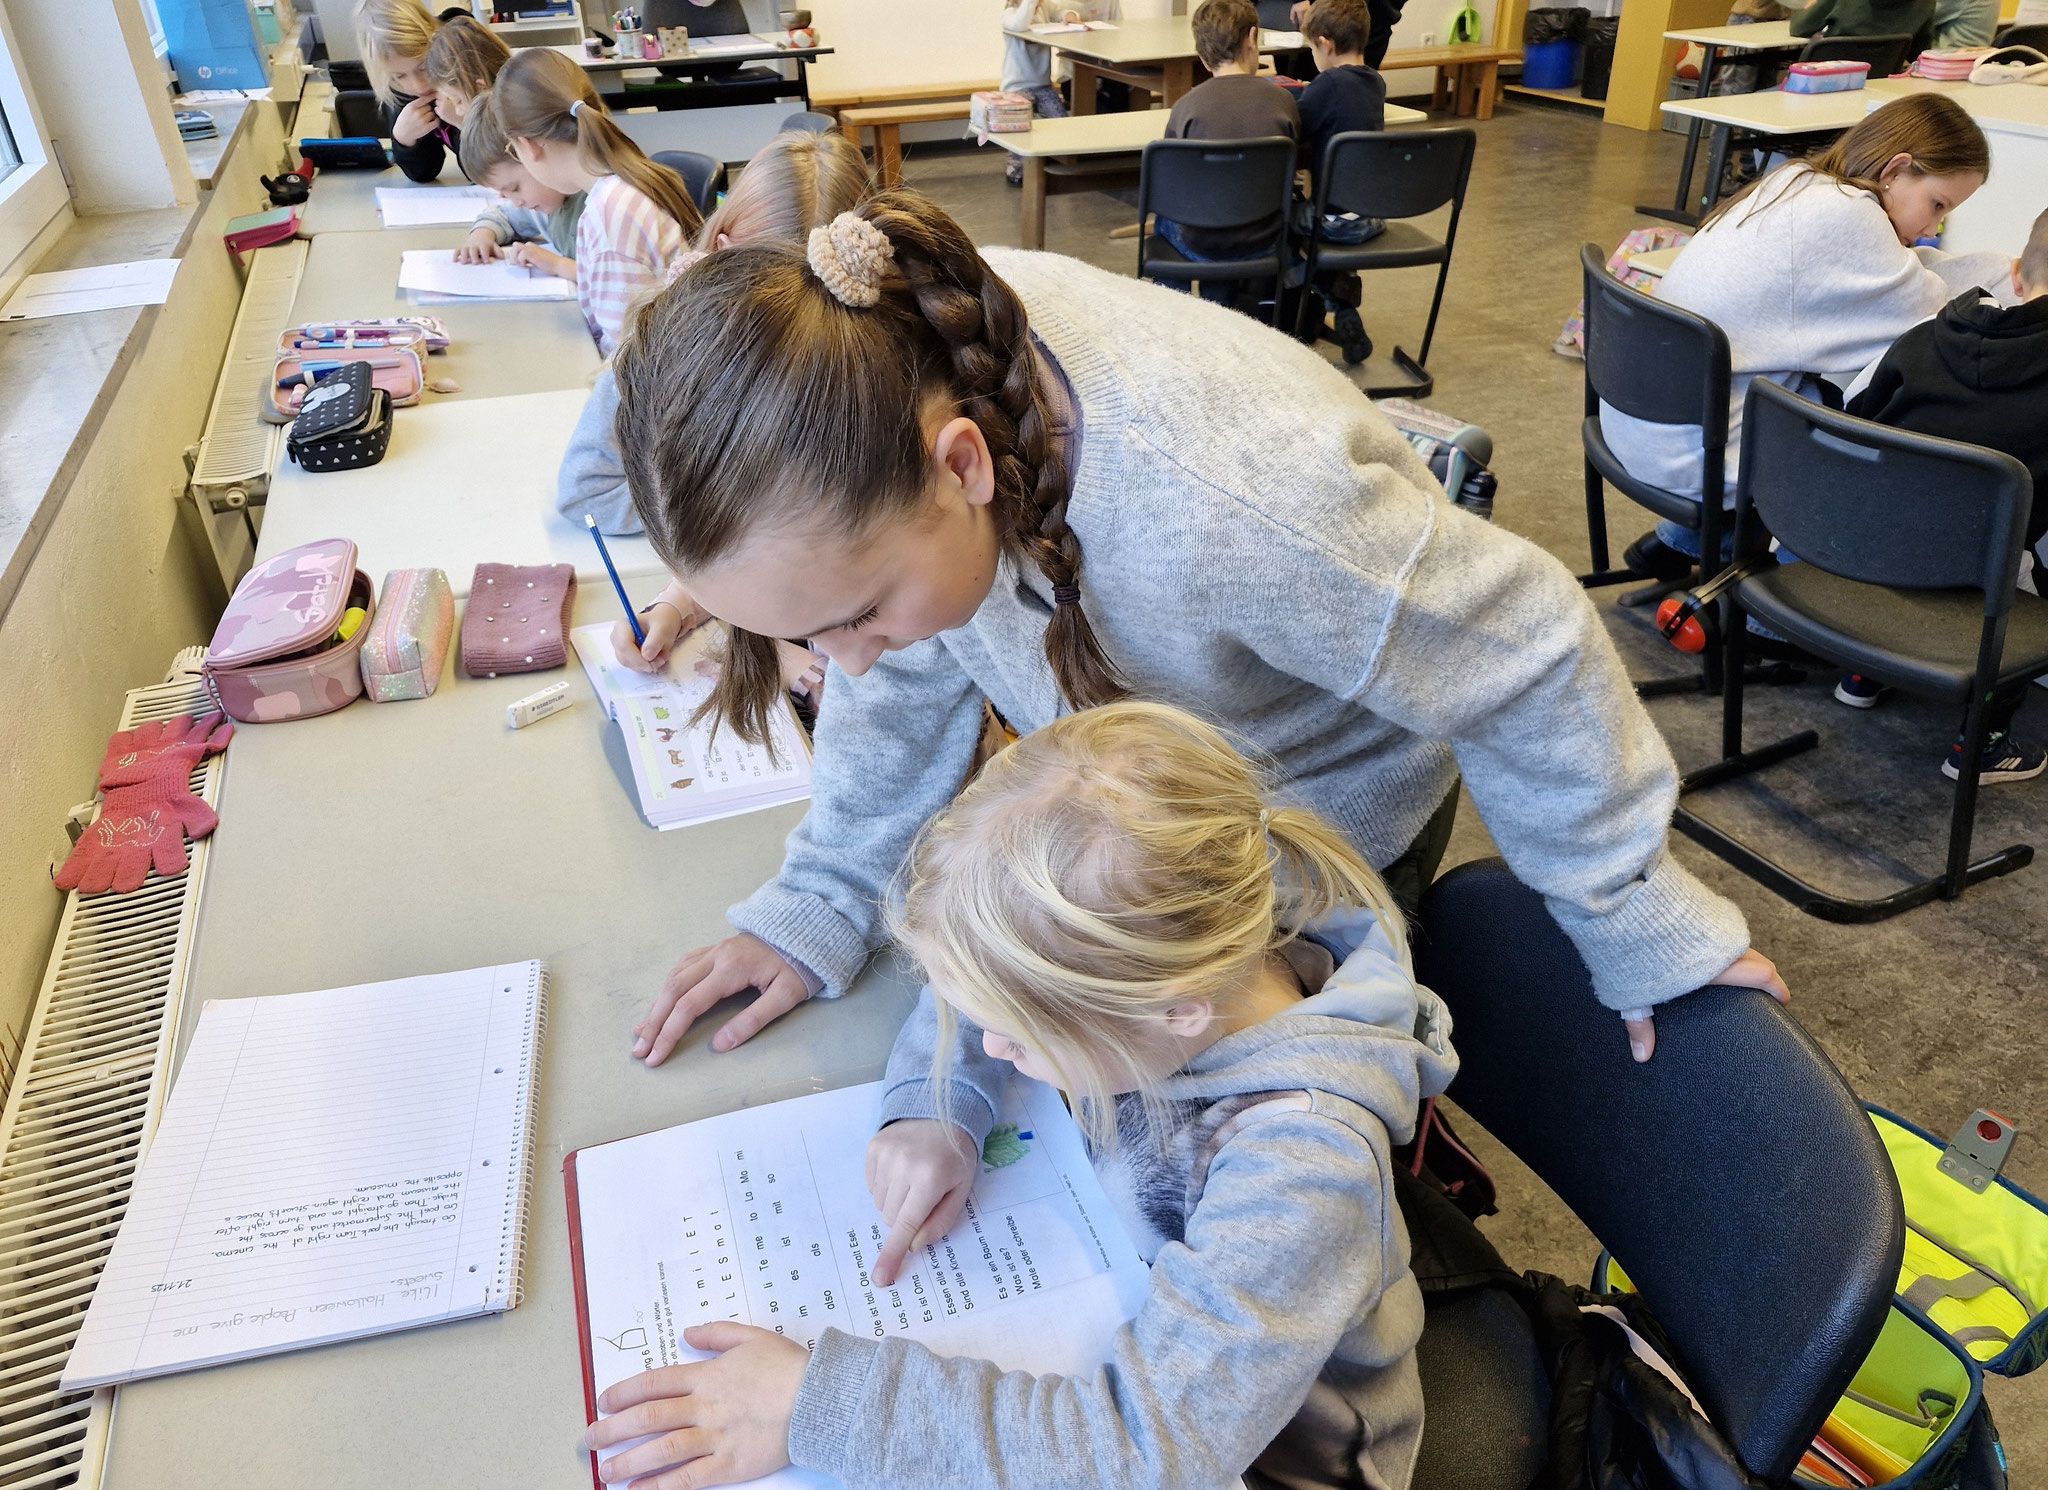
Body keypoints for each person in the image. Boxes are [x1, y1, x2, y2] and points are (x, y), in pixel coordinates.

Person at [606, 188, 1788, 1071]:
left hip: (1311, 810)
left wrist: (1632, 914)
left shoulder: (1232, 503)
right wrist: (820, 897)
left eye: (853, 616)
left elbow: (1523, 649)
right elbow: (902, 666)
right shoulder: (906, 366)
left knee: (1267, 1124)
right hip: (1143, 786)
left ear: (961, 466)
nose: (847, 665)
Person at [584, 701, 1457, 1490]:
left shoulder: (1301, 1173)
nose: (991, 1045)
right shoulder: (1167, 962)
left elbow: (1147, 1452)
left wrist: (817, 1406)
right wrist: (939, 1101)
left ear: (1173, 1010)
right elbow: (995, 981)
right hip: (1132, 1315)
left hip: (1271, 1457)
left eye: (1015, 1038)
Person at [1601, 94, 2010, 571]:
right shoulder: (1849, 218)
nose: (1932, 228)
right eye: (1937, 205)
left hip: (1640, 420)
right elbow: (1935, 318)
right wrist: (2012, 285)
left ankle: (1685, 539)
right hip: (1695, 457)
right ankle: (1787, 595)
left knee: (1820, 398)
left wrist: (1999, 269)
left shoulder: (1796, 180)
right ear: (1897, 169)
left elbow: (1908, 272)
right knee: (1866, 442)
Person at [1836, 208, 2048, 784]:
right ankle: (1982, 743)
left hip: (1858, 557)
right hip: (1977, 575)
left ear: (2017, 275)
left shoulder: (1926, 335)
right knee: (2025, 568)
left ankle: (1866, 670)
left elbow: (1855, 418)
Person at [481, 48, 702, 354]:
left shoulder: (610, 215)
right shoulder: (623, 181)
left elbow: (627, 356)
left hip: (664, 373)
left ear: (528, 146)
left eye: (511, 149)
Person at [1156, 0, 1299, 304]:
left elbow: (1171, 184)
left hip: (1202, 243)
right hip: (1265, 239)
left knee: (1167, 218)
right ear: (1252, 38)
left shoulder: (1186, 107)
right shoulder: (1283, 101)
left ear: (1203, 58)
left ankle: (1171, 310)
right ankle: (1223, 301)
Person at [1295, 0, 1387, 363]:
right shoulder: (1375, 82)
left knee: (1278, 219)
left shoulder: (1328, 83)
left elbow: (1297, 126)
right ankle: (1342, 301)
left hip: (1334, 221)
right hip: (1371, 217)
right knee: (1328, 213)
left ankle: (1324, 295)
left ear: (1326, 44)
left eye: (1312, 49)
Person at [453, 90, 583, 276]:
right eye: (504, 194)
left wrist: (558, 266)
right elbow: (504, 214)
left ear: (534, 150)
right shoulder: (546, 204)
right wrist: (481, 235)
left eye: (514, 188)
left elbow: (615, 278)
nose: (516, 202)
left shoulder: (600, 205)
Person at [354, 0, 461, 184]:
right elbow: (424, 174)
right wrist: (405, 140)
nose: (418, 85)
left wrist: (465, 123)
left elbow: (491, 171)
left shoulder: (466, 63)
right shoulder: (400, 92)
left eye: (423, 67)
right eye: (400, 76)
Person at [997, 0, 1070, 186]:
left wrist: (1070, 16)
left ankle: (1050, 160)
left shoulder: (1045, 8)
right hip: (1016, 86)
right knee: (1021, 124)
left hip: (1042, 85)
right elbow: (1019, 24)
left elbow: (1060, 12)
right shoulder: (1010, 14)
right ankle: (1016, 167)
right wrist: (1030, 4)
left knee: (1060, 120)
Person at [421, 12, 508, 134]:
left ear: (481, 88)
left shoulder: (510, 130)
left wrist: (462, 124)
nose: (458, 111)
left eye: (459, 101)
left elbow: (485, 145)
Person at [1790, 0, 1938, 55]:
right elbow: (1919, 53)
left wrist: (1812, 5)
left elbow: (1799, 28)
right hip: (1883, 88)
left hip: (1828, 82)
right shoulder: (1925, 3)